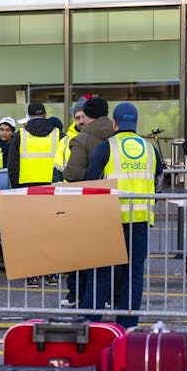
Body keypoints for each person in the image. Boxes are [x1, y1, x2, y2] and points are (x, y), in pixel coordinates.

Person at [81, 103, 164, 328]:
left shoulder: (106, 148)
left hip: (110, 220)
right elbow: (158, 180)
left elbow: (92, 181)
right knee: (133, 275)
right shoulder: (151, 149)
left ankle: (91, 323)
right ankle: (127, 324)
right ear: (135, 123)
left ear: (114, 123)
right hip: (140, 221)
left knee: (101, 274)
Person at [61, 97, 114, 306]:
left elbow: (72, 173)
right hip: (114, 203)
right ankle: (109, 296)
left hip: (87, 202)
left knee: (82, 254)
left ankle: (80, 295)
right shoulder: (116, 137)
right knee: (110, 255)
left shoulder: (82, 139)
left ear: (88, 115)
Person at [6, 101, 64, 287]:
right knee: (52, 232)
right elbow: (65, 163)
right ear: (46, 115)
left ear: (29, 116)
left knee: (32, 233)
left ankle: (32, 275)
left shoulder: (20, 135)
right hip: (53, 188)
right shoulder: (58, 134)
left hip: (27, 189)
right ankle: (52, 274)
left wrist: (17, 188)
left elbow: (13, 166)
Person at [63, 97, 112, 184]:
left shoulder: (81, 141)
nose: (81, 121)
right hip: (124, 192)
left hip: (95, 193)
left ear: (87, 115)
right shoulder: (118, 136)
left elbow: (73, 174)